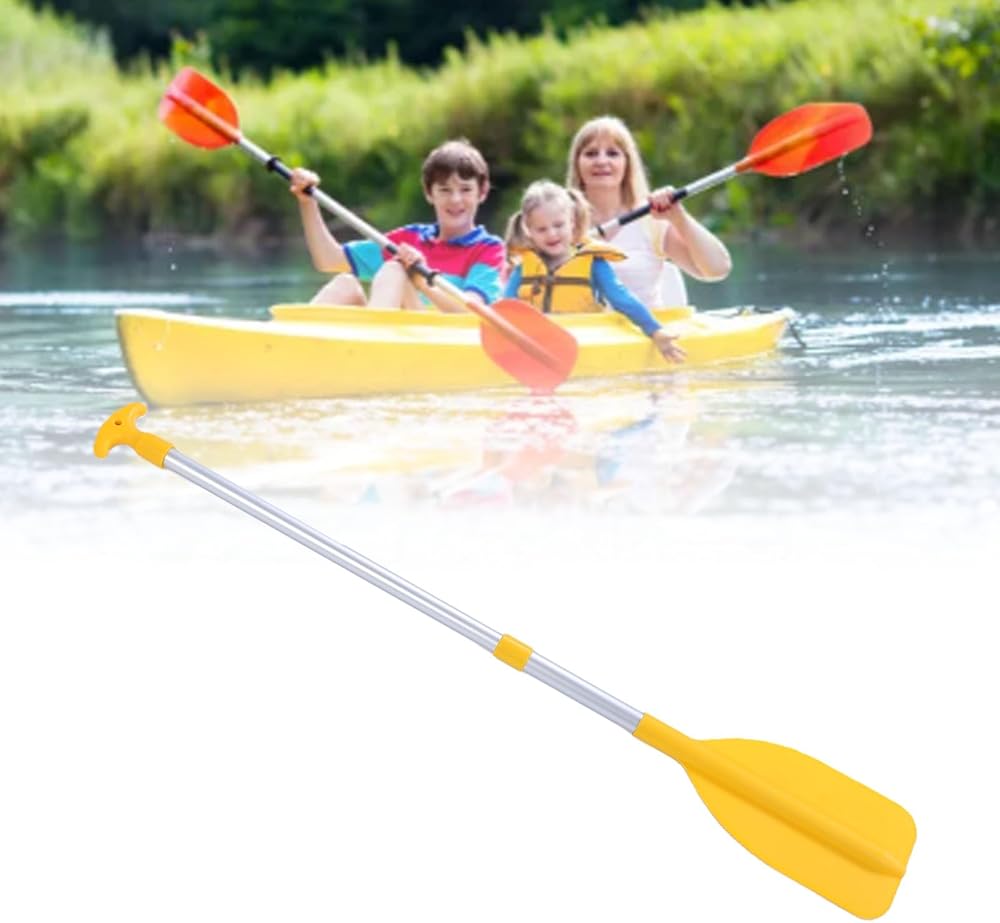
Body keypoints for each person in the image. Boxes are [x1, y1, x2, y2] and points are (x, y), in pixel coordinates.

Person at [288, 139, 505, 312]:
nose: (455, 200)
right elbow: (328, 259)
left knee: (394, 269)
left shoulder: (489, 249)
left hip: (437, 341)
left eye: (465, 190)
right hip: (397, 334)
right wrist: (308, 202)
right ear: (429, 194)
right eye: (445, 190)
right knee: (345, 285)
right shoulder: (410, 239)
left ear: (482, 192)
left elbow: (471, 311)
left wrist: (421, 281)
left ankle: (372, 343)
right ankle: (287, 343)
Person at [504, 180, 684, 362]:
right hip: (539, 348)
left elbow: (621, 298)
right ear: (529, 230)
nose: (551, 234)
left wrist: (654, 330)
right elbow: (504, 308)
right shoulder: (523, 268)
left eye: (558, 225)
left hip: (585, 346)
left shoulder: (593, 262)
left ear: (572, 222)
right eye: (541, 229)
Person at [566, 115, 732, 308]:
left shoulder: (651, 221)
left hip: (644, 325)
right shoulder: (557, 220)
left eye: (612, 153)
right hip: (578, 325)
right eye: (591, 153)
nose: (602, 161)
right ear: (577, 163)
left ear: (627, 164)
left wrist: (679, 218)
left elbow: (717, 270)